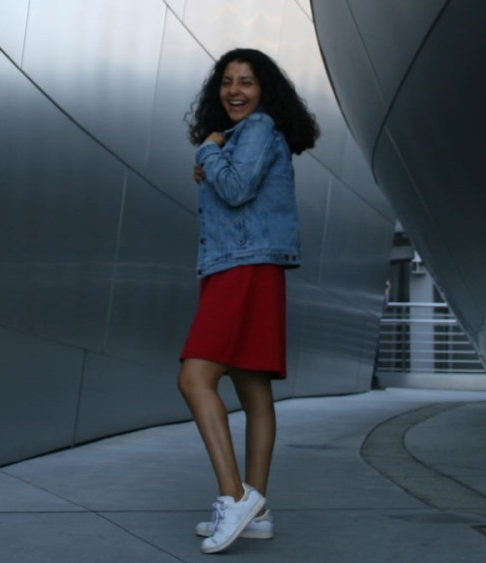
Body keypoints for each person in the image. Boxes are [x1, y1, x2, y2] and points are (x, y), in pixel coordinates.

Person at [178, 48, 319, 554]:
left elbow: (237, 190)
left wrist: (207, 153)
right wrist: (215, 157)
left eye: (246, 82)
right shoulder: (246, 136)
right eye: (227, 82)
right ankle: (257, 511)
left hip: (241, 267)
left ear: (265, 91)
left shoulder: (255, 129)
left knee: (194, 378)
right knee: (254, 390)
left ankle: (234, 496)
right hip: (250, 266)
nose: (234, 91)